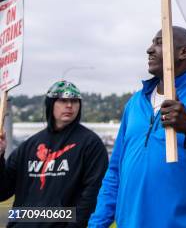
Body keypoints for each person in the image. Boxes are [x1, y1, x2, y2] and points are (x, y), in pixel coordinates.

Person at [89, 26, 186, 228]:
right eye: (152, 42)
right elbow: (115, 172)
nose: (149, 49)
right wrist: (96, 224)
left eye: (159, 42)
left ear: (184, 52)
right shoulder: (135, 103)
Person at [0, 81, 109, 227]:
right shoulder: (28, 146)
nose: (69, 105)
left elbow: (92, 195)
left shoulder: (90, 144)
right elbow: (2, 191)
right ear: (51, 104)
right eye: (63, 100)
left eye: (74, 101)